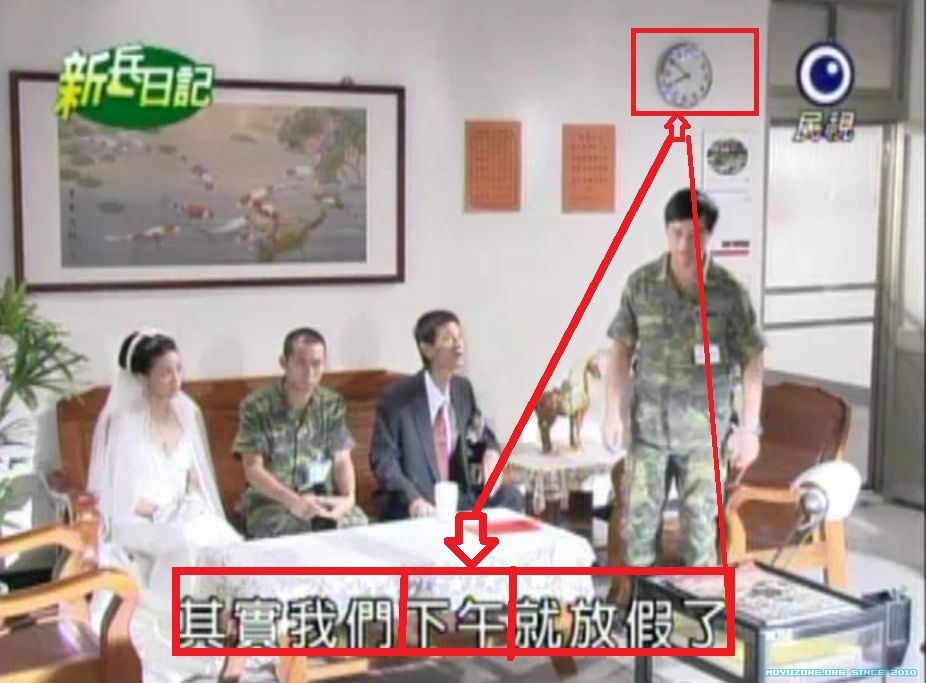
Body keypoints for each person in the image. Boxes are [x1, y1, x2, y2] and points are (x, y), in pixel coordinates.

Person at [602, 188, 766, 568]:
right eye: (676, 234)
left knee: (700, 540)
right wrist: (611, 412)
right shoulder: (642, 285)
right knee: (638, 535)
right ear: (666, 231)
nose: (683, 245)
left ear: (709, 234)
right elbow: (620, 351)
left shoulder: (729, 292)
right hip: (649, 434)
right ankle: (640, 601)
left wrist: (749, 429)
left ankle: (697, 604)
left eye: (694, 235)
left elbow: (753, 362)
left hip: (705, 438)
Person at [87, 329, 241, 614]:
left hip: (179, 511)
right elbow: (124, 497)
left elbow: (195, 477)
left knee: (224, 538)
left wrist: (192, 505)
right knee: (181, 543)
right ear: (144, 377)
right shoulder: (124, 424)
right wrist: (164, 512)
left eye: (179, 369)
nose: (176, 379)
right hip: (136, 519)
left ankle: (229, 622)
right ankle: (172, 621)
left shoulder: (187, 413)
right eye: (166, 373)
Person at [370, 309, 524, 520]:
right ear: (427, 349)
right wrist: (413, 499)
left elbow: (480, 433)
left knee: (511, 496)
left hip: (456, 499)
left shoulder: (462, 389)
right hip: (416, 502)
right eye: (448, 339)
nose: (459, 345)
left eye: (459, 336)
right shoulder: (397, 398)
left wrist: (491, 451)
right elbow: (384, 461)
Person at [234, 327, 368, 538]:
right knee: (300, 530)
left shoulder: (331, 404)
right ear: (284, 362)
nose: (309, 373)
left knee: (358, 525)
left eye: (317, 364)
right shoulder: (257, 407)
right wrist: (294, 501)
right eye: (301, 363)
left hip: (321, 500)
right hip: (272, 504)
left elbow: (342, 459)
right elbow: (253, 469)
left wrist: (348, 498)